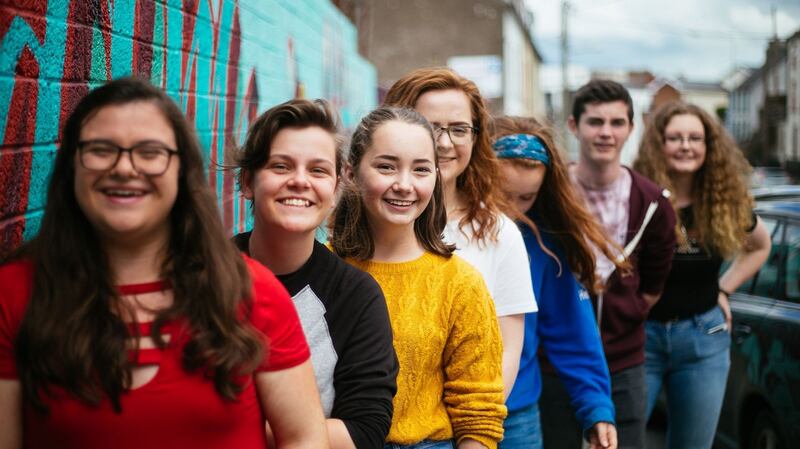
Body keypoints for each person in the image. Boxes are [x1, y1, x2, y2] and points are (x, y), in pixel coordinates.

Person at [0, 77, 327, 449]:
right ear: (72, 166)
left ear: (181, 171)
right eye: (101, 150)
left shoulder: (253, 292)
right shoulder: (13, 295)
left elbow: (304, 438)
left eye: (150, 152)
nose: (124, 168)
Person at [330, 107, 506, 449]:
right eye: (386, 166)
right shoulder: (322, 269)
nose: (404, 185)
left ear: (436, 177)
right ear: (351, 173)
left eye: (421, 169)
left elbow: (479, 413)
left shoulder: (460, 283)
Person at [233, 98, 399, 449]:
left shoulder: (356, 296)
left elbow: (365, 430)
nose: (299, 181)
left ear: (336, 190)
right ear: (248, 182)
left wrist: (232, 428)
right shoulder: (200, 277)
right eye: (281, 166)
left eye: (318, 170)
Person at [383, 68, 536, 398]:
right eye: (430, 127)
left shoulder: (500, 233)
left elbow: (507, 352)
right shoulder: (367, 227)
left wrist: (474, 423)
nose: (444, 142)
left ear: (475, 137)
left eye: (459, 129)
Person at [633, 101, 771, 449]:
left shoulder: (724, 201)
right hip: (640, 336)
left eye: (695, 138)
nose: (685, 146)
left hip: (703, 337)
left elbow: (759, 246)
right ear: (658, 144)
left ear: (709, 147)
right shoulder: (638, 196)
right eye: (675, 138)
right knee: (620, 441)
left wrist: (724, 289)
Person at [548, 79, 677, 449]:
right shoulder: (550, 194)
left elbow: (653, 285)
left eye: (617, 122)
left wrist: (627, 312)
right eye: (595, 122)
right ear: (574, 126)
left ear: (631, 129)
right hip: (555, 361)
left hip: (623, 362)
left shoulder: (653, 203)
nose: (606, 132)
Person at [491, 115, 620, 449]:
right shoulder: (445, 229)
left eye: (526, 197)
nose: (513, 210)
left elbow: (573, 330)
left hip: (516, 416)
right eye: (502, 195)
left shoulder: (545, 244)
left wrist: (596, 406)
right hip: (443, 416)